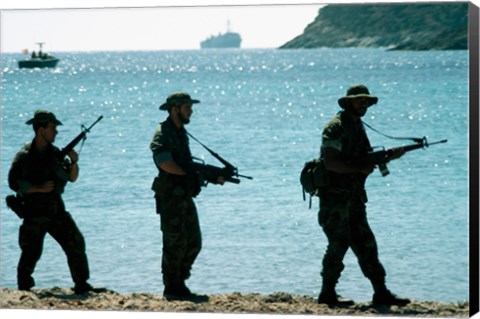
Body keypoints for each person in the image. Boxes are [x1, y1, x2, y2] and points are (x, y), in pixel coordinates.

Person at [316, 85, 410, 306]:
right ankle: (327, 294)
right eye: (359, 100)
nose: (363, 104)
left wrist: (388, 157)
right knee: (338, 245)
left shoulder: (358, 126)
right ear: (348, 102)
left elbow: (364, 158)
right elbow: (331, 162)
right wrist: (359, 169)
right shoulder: (336, 127)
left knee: (367, 244)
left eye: (366, 101)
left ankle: (381, 292)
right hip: (335, 200)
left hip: (355, 198)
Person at [8, 110, 98, 294]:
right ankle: (24, 288)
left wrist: (73, 162)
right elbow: (13, 183)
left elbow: (71, 178)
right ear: (41, 130)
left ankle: (81, 284)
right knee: (31, 251)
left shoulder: (55, 153)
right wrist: (38, 188)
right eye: (52, 128)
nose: (56, 132)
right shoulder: (25, 155)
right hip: (34, 211)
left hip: (56, 209)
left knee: (76, 243)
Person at [150, 92, 224, 301]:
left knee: (193, 242)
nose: (191, 111)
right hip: (170, 197)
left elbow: (187, 165)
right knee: (174, 242)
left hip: (184, 196)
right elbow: (163, 161)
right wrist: (189, 174)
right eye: (187, 107)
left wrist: (208, 176)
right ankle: (172, 287)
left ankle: (179, 281)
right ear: (175, 109)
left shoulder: (181, 133)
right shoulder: (163, 132)